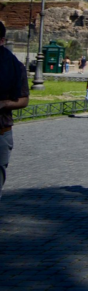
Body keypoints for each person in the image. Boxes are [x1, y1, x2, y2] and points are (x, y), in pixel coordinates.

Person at [0, 21, 29, 198]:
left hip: (1, 131)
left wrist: (3, 104)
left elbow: (24, 100)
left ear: (2, 41)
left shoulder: (15, 66)